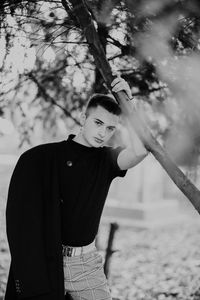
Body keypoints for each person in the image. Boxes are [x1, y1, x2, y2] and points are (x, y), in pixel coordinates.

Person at [5, 77, 148, 300]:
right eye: (98, 123)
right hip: (47, 260)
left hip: (85, 263)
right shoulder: (48, 157)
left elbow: (140, 151)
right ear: (84, 118)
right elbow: (21, 215)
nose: (103, 132)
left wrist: (129, 105)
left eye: (110, 128)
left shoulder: (107, 160)